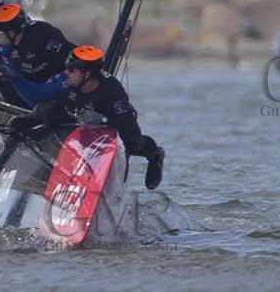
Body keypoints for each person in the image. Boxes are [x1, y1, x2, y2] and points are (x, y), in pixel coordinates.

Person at [12, 45, 166, 190]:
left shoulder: (111, 91)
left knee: (133, 142)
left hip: (111, 122)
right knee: (47, 113)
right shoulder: (69, 84)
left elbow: (127, 121)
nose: (66, 73)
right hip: (80, 119)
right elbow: (46, 101)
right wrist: (29, 120)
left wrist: (103, 120)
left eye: (71, 70)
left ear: (86, 74)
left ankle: (155, 155)